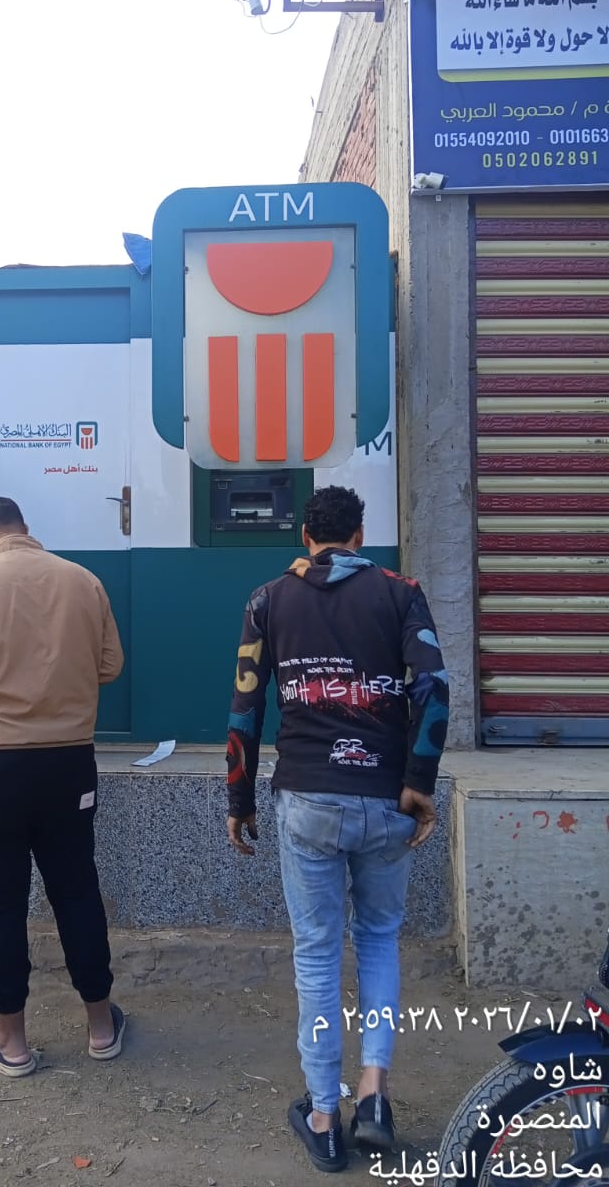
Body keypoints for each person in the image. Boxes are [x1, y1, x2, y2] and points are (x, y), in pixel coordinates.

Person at [225, 485, 449, 1173]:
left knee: (318, 956)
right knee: (378, 940)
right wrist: (419, 782)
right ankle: (373, 1095)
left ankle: (324, 1115)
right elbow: (434, 687)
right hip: (384, 797)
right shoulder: (400, 593)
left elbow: (245, 705)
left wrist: (239, 798)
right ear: (359, 535)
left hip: (307, 800)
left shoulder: (268, 599)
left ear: (304, 536)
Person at [0, 496, 125, 1077]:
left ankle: (10, 1042)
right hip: (67, 764)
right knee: (77, 890)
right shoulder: (83, 582)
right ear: (25, 529)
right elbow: (109, 666)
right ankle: (101, 1027)